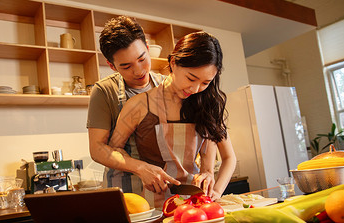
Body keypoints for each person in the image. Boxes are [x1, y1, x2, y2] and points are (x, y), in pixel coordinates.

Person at [87, 16, 216, 206]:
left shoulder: (170, 85)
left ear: (147, 47)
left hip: (165, 191)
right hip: (125, 191)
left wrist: (207, 169)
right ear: (112, 65)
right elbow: (97, 148)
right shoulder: (105, 91)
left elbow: (207, 133)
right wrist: (139, 167)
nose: (138, 70)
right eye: (126, 66)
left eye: (142, 59)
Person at [108, 31, 236, 207]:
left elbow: (229, 158)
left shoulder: (207, 104)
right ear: (173, 63)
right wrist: (140, 168)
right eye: (191, 78)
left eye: (206, 83)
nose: (195, 88)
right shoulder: (139, 105)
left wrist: (215, 190)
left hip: (196, 203)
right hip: (154, 205)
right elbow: (113, 149)